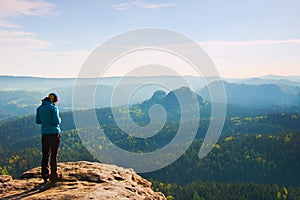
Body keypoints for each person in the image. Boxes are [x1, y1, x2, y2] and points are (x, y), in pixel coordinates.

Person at [36, 93, 61, 183]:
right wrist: (60, 119)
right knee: (54, 155)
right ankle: (54, 176)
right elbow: (56, 121)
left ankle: (45, 175)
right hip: (54, 133)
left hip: (45, 134)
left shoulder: (39, 108)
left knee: (45, 154)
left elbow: (38, 121)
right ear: (54, 100)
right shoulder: (53, 108)